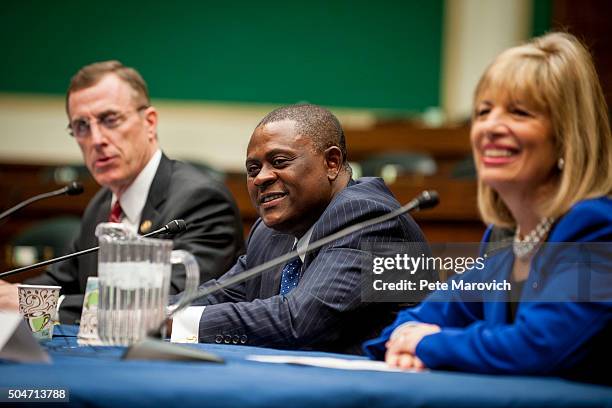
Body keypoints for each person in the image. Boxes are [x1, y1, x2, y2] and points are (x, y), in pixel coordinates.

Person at [363, 32, 612, 383]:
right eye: (483, 111)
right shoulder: (506, 239)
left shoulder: (596, 226)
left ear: (566, 136)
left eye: (519, 112)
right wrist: (408, 343)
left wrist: (429, 345)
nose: (491, 127)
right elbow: (413, 320)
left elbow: (540, 346)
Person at [170, 103, 430, 354]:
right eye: (253, 169)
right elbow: (219, 295)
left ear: (331, 163)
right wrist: (149, 313)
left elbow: (298, 321)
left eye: (280, 161)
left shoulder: (369, 217)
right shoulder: (270, 231)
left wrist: (174, 322)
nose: (261, 177)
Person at [0, 61, 245, 324]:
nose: (97, 139)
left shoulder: (202, 200)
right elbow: (61, 281)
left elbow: (167, 303)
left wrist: (38, 304)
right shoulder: (102, 204)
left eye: (110, 120)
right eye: (82, 126)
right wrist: (10, 295)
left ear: (149, 122)